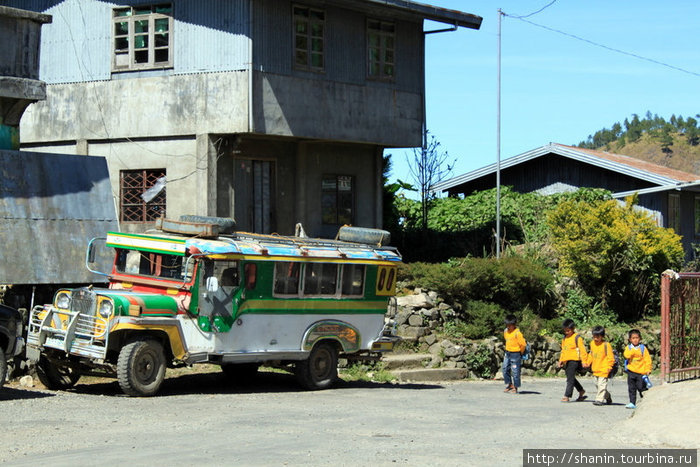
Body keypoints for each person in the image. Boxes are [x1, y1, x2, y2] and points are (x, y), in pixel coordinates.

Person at [557, 318, 589, 402]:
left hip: (574, 360)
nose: (566, 332)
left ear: (573, 329)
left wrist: (584, 361)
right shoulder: (564, 339)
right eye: (565, 331)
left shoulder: (577, 338)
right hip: (566, 361)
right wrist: (561, 360)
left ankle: (567, 396)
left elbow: (582, 350)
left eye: (568, 330)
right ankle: (581, 391)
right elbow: (563, 351)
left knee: (570, 378)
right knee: (570, 378)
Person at [585, 326, 615, 406]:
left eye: (597, 337)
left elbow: (610, 357)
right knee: (597, 385)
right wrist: (588, 362)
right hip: (595, 369)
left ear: (602, 336)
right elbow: (591, 354)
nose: (595, 338)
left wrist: (609, 367)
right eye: (594, 336)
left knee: (601, 385)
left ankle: (599, 400)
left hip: (604, 369)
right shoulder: (592, 344)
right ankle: (607, 396)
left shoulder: (606, 345)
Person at [623, 329, 652, 409]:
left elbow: (647, 359)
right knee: (631, 388)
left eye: (637, 338)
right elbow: (626, 355)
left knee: (641, 388)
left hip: (641, 372)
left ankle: (645, 401)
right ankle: (632, 402)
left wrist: (648, 369)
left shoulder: (643, 348)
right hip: (631, 372)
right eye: (633, 338)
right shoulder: (628, 348)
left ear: (640, 338)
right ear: (630, 339)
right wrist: (633, 351)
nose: (635, 340)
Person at [502, 314, 527, 394]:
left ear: (514, 325)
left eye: (510, 325)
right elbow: (506, 339)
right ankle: (509, 384)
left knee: (515, 371)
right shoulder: (506, 331)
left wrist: (520, 352)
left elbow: (523, 344)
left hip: (516, 354)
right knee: (505, 369)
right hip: (507, 352)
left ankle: (515, 387)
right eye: (507, 325)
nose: (508, 327)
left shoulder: (517, 333)